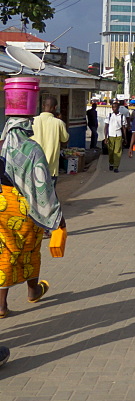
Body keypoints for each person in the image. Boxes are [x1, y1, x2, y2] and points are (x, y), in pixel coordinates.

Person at [0, 115, 64, 318]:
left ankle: (1, 305)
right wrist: (56, 215)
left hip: (3, 206)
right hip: (28, 206)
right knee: (30, 249)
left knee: (6, 252)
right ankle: (33, 290)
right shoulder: (33, 149)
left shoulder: (1, 146)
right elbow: (43, 185)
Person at [32, 97, 69, 181]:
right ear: (55, 107)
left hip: (35, 166)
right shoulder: (59, 123)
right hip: (51, 168)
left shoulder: (33, 121)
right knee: (50, 192)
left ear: (43, 106)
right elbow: (65, 141)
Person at [104, 100, 129, 172]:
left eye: (115, 107)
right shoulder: (109, 116)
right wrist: (105, 137)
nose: (114, 108)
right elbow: (106, 127)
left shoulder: (122, 116)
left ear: (118, 108)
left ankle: (116, 166)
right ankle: (111, 163)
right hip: (111, 135)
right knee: (111, 151)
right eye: (113, 107)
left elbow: (124, 128)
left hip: (119, 135)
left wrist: (125, 138)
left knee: (118, 151)